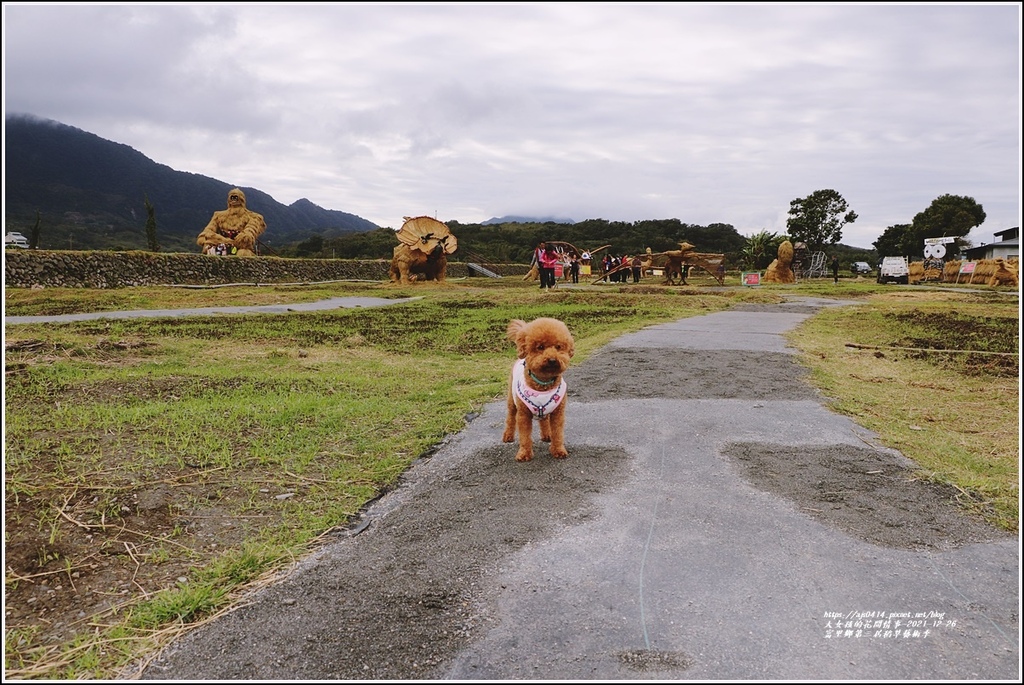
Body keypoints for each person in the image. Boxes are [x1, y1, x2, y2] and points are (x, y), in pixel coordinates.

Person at [197, 188, 266, 256]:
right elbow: (208, 231)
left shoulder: (253, 217)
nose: (233, 200)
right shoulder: (218, 216)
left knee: (243, 253)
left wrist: (244, 238)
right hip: (221, 245)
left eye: (235, 197)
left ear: (241, 199)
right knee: (209, 249)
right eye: (232, 197)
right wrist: (221, 240)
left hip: (241, 248)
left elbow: (250, 231)